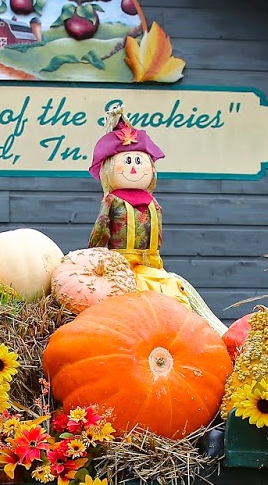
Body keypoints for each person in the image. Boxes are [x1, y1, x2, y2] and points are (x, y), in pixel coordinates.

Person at [87, 104, 224, 332]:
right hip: (120, 265)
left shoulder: (153, 203)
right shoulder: (113, 201)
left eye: (139, 162)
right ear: (110, 169)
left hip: (152, 264)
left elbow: (157, 235)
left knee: (169, 300)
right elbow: (101, 230)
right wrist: (93, 258)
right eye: (127, 161)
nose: (133, 168)